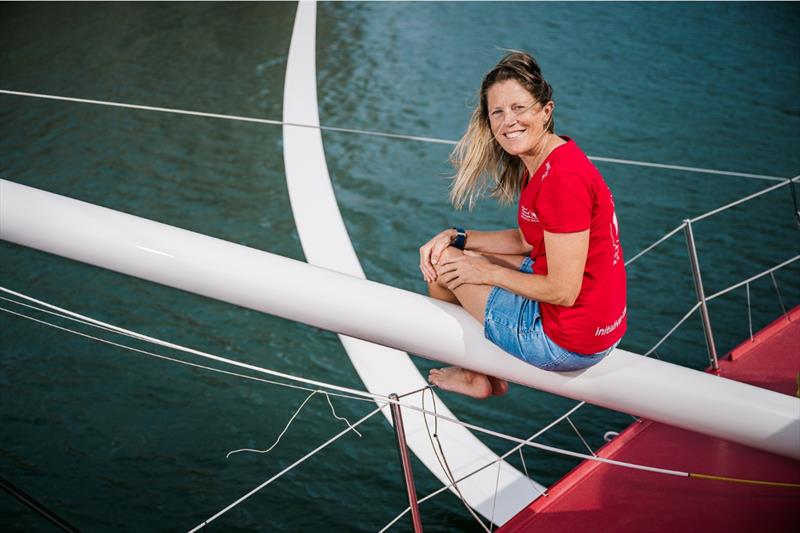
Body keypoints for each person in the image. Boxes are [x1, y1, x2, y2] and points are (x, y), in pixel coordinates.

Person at [420, 51, 627, 399]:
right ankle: (482, 368)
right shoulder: (555, 157)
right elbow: (527, 239)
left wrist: (482, 272)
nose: (507, 122)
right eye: (497, 112)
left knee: (443, 270)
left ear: (546, 112)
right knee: (455, 256)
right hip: (597, 323)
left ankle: (476, 372)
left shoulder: (562, 180)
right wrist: (460, 238)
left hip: (566, 340)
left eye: (519, 108)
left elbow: (562, 291)